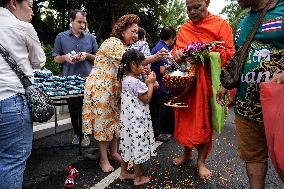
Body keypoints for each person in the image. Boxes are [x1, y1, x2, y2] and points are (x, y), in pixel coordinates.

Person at [82, 14, 166, 173]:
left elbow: (133, 65)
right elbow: (130, 63)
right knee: (103, 123)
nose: (135, 35)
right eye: (132, 31)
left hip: (113, 88)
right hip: (102, 88)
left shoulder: (122, 45)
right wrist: (155, 57)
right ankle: (103, 159)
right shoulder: (113, 42)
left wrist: (144, 68)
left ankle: (114, 153)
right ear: (122, 30)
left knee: (114, 122)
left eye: (136, 32)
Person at [217, 0, 284, 188]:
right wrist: (225, 84)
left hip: (280, 110)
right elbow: (239, 57)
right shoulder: (242, 22)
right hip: (246, 108)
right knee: (253, 157)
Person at [171, 0, 235, 179]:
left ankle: (201, 162)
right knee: (184, 119)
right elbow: (176, 54)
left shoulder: (221, 25)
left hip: (208, 84)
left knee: (204, 123)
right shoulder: (184, 29)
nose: (192, 11)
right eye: (189, 8)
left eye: (196, 7)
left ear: (207, 3)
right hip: (187, 85)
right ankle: (186, 153)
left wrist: (206, 54)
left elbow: (229, 54)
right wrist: (177, 54)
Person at [0, 0, 46, 188]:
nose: (32, 11)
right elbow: (39, 61)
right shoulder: (23, 27)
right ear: (13, 3)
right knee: (11, 162)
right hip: (11, 101)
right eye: (30, 5)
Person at [53, 9, 98, 147]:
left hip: (87, 79)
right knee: (73, 109)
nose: (82, 25)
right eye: (79, 22)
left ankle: (86, 134)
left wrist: (87, 56)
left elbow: (98, 59)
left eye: (84, 22)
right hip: (70, 80)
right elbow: (55, 58)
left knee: (87, 108)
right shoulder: (61, 37)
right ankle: (77, 132)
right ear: (71, 21)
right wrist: (65, 57)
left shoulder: (91, 38)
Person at [117, 49, 156, 186]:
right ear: (133, 65)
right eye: (141, 65)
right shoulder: (136, 82)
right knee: (137, 147)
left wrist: (147, 81)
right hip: (137, 122)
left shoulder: (125, 79)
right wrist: (150, 83)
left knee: (127, 144)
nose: (144, 67)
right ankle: (138, 178)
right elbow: (146, 98)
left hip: (127, 122)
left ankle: (124, 173)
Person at [150, 26, 177, 142]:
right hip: (159, 86)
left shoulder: (159, 46)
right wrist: (176, 69)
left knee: (159, 110)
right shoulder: (163, 49)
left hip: (159, 85)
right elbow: (162, 70)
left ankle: (159, 132)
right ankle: (157, 134)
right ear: (171, 38)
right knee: (158, 111)